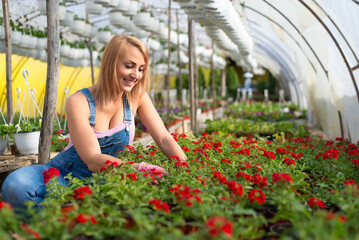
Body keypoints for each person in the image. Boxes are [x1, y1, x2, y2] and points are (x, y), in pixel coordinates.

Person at [1, 34, 187, 209]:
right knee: (15, 184)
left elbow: (163, 138)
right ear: (111, 63)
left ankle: (59, 222)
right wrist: (140, 168)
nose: (136, 75)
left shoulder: (137, 97)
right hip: (62, 176)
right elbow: (92, 159)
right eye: (129, 66)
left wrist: (185, 169)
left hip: (107, 179)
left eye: (141, 69)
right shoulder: (79, 101)